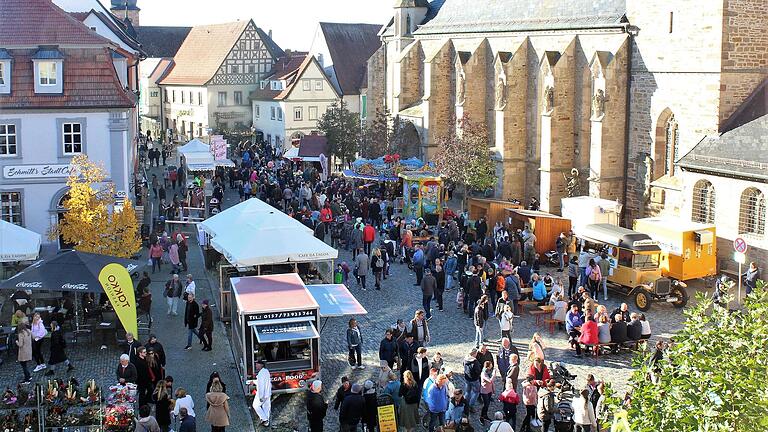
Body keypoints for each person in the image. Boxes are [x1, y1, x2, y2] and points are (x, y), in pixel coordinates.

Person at [252, 360, 271, 427]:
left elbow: (261, 385)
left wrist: (261, 396)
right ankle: (266, 422)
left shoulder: (260, 374)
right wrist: (254, 382)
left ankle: (264, 419)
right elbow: (263, 382)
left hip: (262, 393)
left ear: (261, 365)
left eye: (257, 364)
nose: (256, 366)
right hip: (268, 392)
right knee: (266, 407)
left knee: (255, 405)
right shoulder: (266, 371)